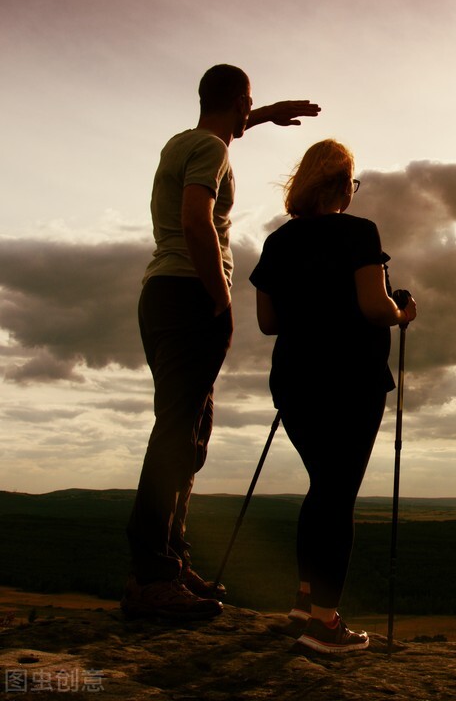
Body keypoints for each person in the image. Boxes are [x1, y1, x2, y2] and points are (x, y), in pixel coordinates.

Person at [123, 64, 321, 620]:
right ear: (237, 100)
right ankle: (151, 575)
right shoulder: (212, 152)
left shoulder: (185, 141)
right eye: (247, 106)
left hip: (161, 294)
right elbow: (195, 221)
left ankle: (170, 560)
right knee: (177, 434)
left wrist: (263, 115)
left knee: (188, 434)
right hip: (191, 294)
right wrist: (220, 297)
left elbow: (222, 130)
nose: (246, 116)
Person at [249, 138, 417, 653]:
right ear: (345, 185)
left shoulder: (278, 242)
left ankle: (304, 599)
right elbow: (373, 307)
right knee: (336, 494)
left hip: (296, 380)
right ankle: (323, 624)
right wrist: (401, 311)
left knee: (321, 486)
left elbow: (268, 322)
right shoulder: (359, 233)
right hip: (350, 378)